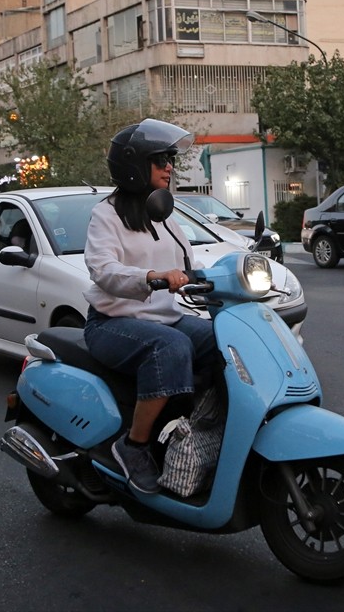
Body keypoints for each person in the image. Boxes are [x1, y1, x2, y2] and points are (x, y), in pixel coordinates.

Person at [83, 119, 219, 494]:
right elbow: (103, 270)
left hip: (165, 317)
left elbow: (189, 267)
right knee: (170, 346)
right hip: (112, 322)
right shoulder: (105, 215)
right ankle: (134, 446)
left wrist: (223, 277)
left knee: (223, 337)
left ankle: (197, 426)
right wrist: (150, 276)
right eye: (161, 160)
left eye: (170, 159)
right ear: (134, 166)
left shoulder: (164, 212)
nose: (169, 167)